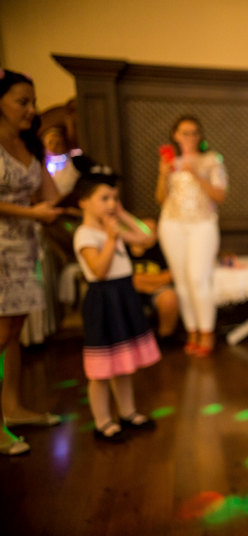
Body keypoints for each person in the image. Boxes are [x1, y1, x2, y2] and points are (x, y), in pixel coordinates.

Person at [72, 167, 161, 441]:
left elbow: (147, 237)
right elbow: (99, 270)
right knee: (101, 369)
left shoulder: (113, 226)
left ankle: (128, 412)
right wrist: (112, 239)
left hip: (123, 294)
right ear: (84, 202)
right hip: (103, 300)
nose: (111, 203)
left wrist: (123, 216)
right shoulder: (85, 234)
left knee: (123, 363)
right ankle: (103, 422)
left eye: (114, 198)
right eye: (104, 198)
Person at [0, 68, 63, 456]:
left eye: (33, 102)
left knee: (13, 334)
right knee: (0, 334)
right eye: (22, 101)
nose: (31, 109)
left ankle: (12, 407)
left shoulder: (27, 145)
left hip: (24, 248)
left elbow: (50, 195)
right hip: (0, 247)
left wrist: (47, 156)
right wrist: (31, 214)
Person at [155, 115, 227, 356]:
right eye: (185, 133)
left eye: (194, 132)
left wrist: (196, 174)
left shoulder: (211, 159)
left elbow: (220, 195)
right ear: (176, 135)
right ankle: (192, 331)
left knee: (198, 278)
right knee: (182, 280)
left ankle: (207, 332)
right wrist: (163, 174)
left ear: (200, 135)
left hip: (202, 223)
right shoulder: (170, 162)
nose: (190, 137)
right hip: (171, 223)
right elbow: (161, 199)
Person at [127, 218, 179, 341]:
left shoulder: (163, 250)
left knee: (169, 298)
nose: (147, 234)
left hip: (157, 291)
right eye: (144, 229)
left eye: (152, 231)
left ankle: (164, 338)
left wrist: (145, 283)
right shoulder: (123, 249)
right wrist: (151, 281)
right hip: (129, 292)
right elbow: (125, 279)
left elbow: (169, 276)